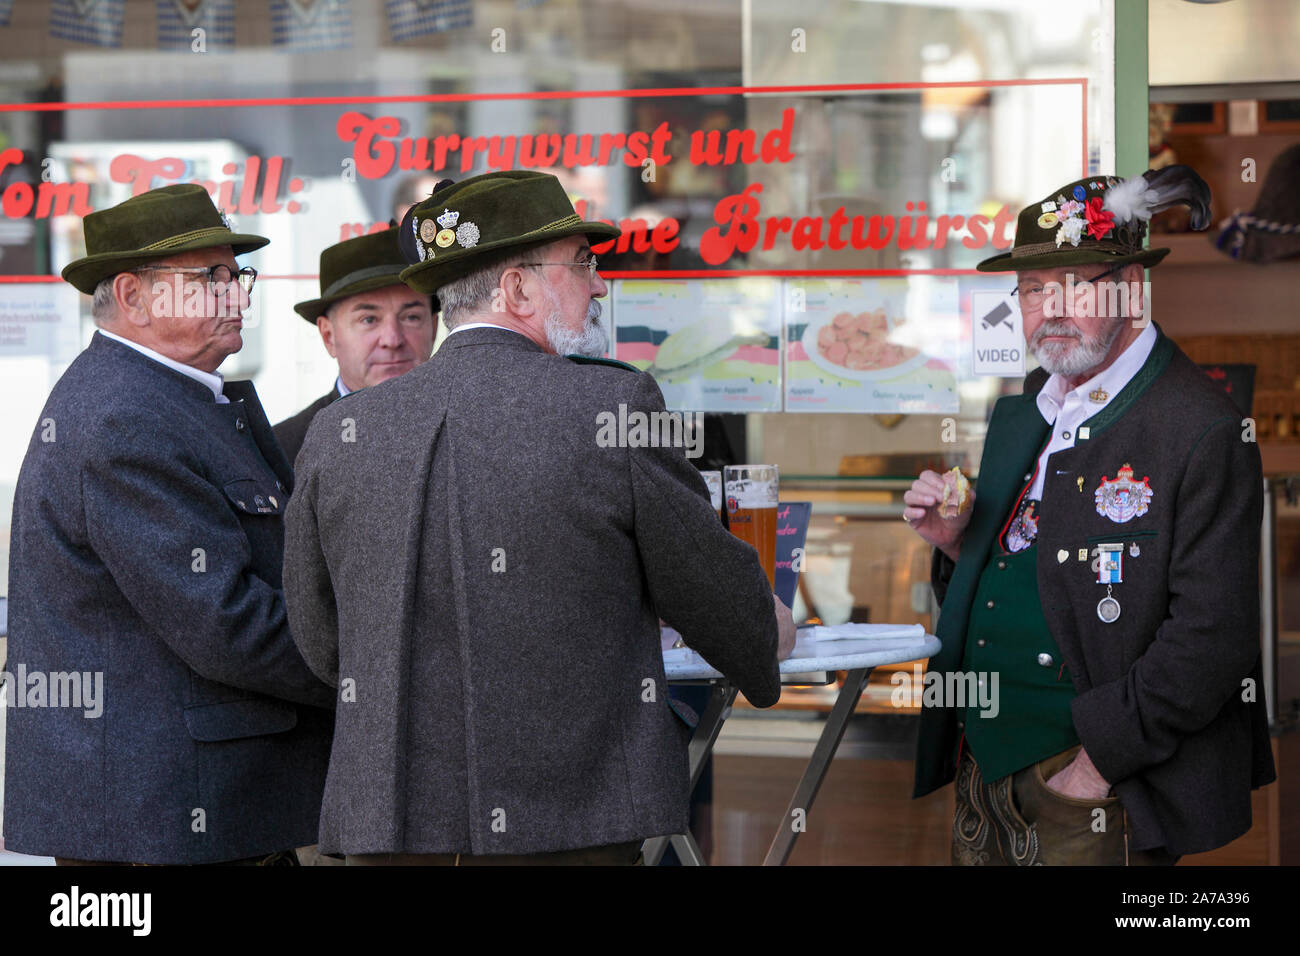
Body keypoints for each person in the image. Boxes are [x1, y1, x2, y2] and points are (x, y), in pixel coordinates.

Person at [283, 170, 795, 865]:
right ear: (517, 289)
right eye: (583, 264)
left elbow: (319, 640)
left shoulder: (341, 431)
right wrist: (765, 630)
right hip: (567, 819)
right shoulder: (609, 407)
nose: (600, 284)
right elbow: (705, 584)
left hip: (391, 821)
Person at [905, 166, 1276, 865]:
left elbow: (1211, 639)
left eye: (1076, 284)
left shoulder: (1201, 427)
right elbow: (1026, 569)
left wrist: (1090, 773)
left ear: (1132, 288)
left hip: (1097, 789)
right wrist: (958, 546)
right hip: (983, 771)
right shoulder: (1023, 412)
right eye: (1034, 289)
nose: (1051, 307)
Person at [3, 184, 334, 865]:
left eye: (235, 276)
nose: (236, 296)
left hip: (192, 815)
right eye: (207, 279)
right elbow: (227, 624)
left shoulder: (160, 398)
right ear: (131, 297)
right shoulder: (127, 415)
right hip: (165, 824)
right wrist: (374, 666)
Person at [274, 227, 438, 465]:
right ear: (329, 336)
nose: (392, 340)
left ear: (433, 327)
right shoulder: (286, 448)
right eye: (369, 320)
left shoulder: (469, 427)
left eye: (411, 317)